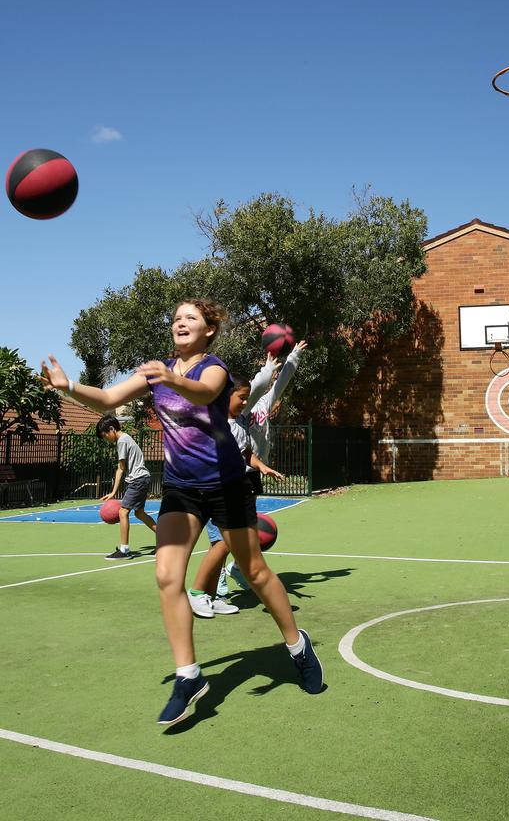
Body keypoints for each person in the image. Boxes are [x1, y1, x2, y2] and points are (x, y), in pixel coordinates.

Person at [40, 298, 324, 727]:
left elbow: (206, 392)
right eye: (175, 318)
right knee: (166, 576)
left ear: (209, 329)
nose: (180, 322)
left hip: (226, 486)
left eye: (190, 317)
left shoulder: (214, 368)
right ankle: (188, 675)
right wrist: (69, 388)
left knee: (257, 573)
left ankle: (297, 646)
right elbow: (109, 398)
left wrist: (171, 377)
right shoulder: (155, 371)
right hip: (181, 489)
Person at [187, 373, 285, 616]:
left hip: (233, 488)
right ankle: (198, 592)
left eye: (246, 398)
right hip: (214, 490)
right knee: (220, 543)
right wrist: (269, 367)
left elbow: (245, 453)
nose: (245, 402)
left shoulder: (239, 423)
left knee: (223, 546)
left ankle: (211, 596)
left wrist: (262, 467)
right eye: (241, 397)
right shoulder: (218, 422)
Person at [226, 340, 307, 589]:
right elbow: (261, 383)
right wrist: (268, 367)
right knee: (227, 530)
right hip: (236, 471)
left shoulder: (264, 404)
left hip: (253, 470)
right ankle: (219, 578)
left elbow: (280, 383)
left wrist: (293, 357)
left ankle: (238, 567)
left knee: (247, 527)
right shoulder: (243, 407)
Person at [96, 414, 156, 560]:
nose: (106, 439)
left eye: (105, 435)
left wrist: (113, 492)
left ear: (111, 429)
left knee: (123, 512)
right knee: (139, 513)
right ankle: (166, 539)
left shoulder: (122, 441)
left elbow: (120, 468)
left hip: (138, 480)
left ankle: (124, 550)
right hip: (142, 478)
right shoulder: (127, 438)